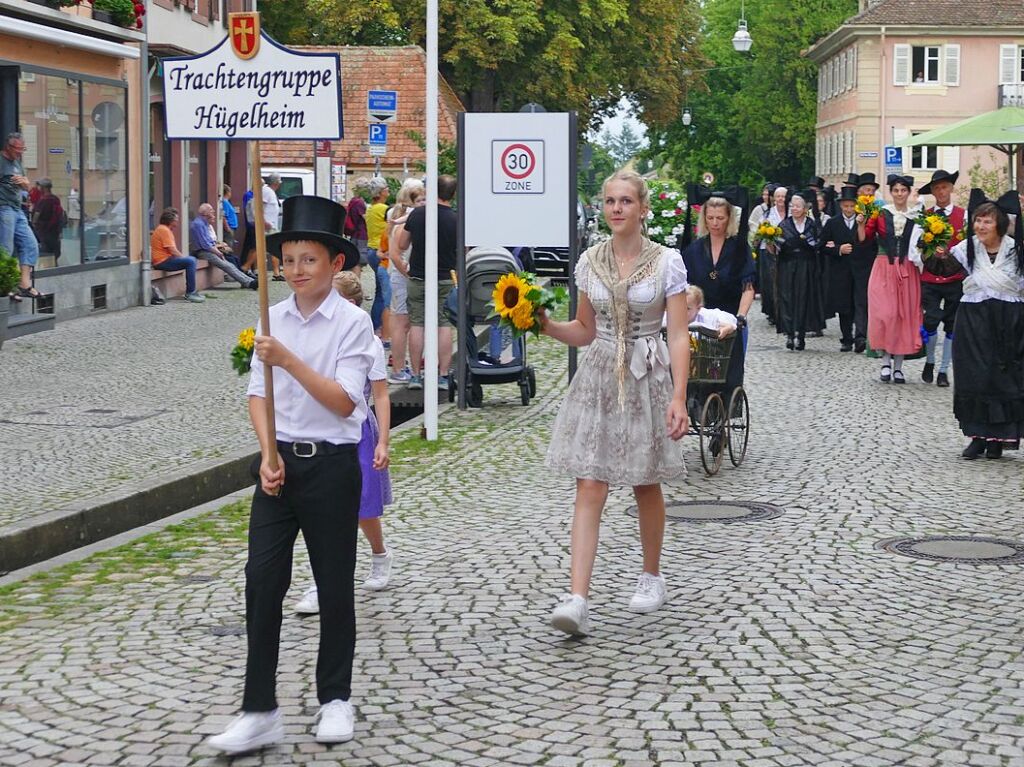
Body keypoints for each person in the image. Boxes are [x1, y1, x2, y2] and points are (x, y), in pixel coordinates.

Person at [206, 196, 373, 754]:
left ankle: (335, 698)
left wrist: (291, 361)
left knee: (332, 585)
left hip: (330, 468)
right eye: (289, 259)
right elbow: (258, 394)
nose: (297, 270)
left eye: (309, 259)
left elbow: (345, 403)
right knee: (262, 583)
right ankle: (259, 709)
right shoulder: (269, 320)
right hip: (279, 469)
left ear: (334, 265)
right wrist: (265, 453)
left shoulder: (352, 325)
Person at [541, 170, 690, 637]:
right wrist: (544, 325)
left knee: (645, 481)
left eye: (625, 201)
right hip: (601, 372)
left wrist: (680, 395)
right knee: (591, 482)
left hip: (647, 372)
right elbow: (583, 330)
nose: (617, 209)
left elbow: (679, 333)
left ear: (643, 208)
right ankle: (578, 597)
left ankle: (652, 574)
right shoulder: (589, 261)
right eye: (609, 201)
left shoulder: (668, 263)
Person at [294, 270, 395, 616]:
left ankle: (380, 554)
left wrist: (383, 440)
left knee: (364, 507)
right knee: (325, 510)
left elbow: (380, 395)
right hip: (320, 431)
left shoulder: (367, 341)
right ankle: (321, 582)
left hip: (358, 429)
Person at [947, 190, 1024, 459]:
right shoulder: (967, 248)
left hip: (1008, 319)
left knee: (1003, 376)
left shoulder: (1016, 250)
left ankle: (998, 439)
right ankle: (977, 437)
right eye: (978, 220)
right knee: (975, 374)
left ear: (1000, 224)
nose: (980, 226)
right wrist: (932, 247)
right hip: (973, 319)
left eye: (987, 221)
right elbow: (943, 268)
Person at [681, 191, 755, 389]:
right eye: (711, 218)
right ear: (704, 218)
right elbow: (684, 287)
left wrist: (741, 316)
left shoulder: (739, 249)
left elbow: (748, 287)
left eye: (720, 218)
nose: (715, 223)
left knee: (727, 371)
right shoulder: (693, 251)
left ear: (729, 218)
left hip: (730, 318)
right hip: (699, 318)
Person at [395, 174, 458, 391]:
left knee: (417, 324)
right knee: (444, 325)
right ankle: (442, 375)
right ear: (453, 194)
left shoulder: (419, 215)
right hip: (446, 278)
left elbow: (402, 244)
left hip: (419, 276)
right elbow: (465, 252)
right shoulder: (457, 219)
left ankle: (415, 375)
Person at [858, 174, 923, 382]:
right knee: (884, 314)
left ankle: (898, 366)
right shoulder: (880, 213)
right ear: (891, 192)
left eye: (903, 190)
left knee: (904, 315)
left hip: (907, 268)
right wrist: (860, 223)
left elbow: (923, 243)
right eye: (896, 190)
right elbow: (864, 238)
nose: (899, 194)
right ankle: (885, 361)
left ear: (909, 192)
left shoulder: (917, 215)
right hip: (884, 265)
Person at [916, 169, 967, 387]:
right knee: (931, 320)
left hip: (954, 277)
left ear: (951, 189)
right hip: (930, 277)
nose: (941, 191)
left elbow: (968, 245)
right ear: (932, 192)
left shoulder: (963, 214)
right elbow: (917, 248)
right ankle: (930, 360)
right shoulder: (925, 216)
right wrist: (929, 253)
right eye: (937, 188)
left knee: (952, 325)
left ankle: (944, 370)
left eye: (944, 187)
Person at [822, 186, 872, 352]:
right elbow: (821, 246)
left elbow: (869, 244)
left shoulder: (863, 221)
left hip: (861, 268)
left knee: (860, 303)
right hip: (840, 270)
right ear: (841, 206)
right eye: (846, 206)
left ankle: (860, 337)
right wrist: (837, 249)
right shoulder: (832, 223)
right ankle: (846, 338)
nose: (849, 209)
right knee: (844, 306)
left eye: (852, 206)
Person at [773, 190, 825, 350]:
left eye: (797, 206)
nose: (794, 208)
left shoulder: (811, 224)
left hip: (806, 266)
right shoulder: (784, 225)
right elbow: (778, 246)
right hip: (788, 265)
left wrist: (806, 243)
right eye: (792, 206)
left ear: (805, 208)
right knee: (787, 298)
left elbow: (817, 244)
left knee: (804, 299)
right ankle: (789, 334)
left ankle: (801, 334)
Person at [386, 179, 425, 383]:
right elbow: (395, 254)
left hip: (407, 276)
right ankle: (399, 369)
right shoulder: (407, 221)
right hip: (403, 278)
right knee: (402, 323)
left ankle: (406, 366)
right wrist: (410, 275)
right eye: (421, 200)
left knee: (409, 323)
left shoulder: (409, 219)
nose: (425, 203)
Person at [0, 132, 41, 300]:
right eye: (17, 150)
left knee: (31, 245)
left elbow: (25, 186)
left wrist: (25, 184)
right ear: (8, 147)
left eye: (22, 149)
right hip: (4, 208)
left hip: (18, 209)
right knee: (6, 249)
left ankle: (24, 285)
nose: (20, 153)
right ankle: (5, 287)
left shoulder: (17, 163)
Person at [190, 203, 258, 290]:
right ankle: (249, 283)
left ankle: (248, 281)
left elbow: (210, 242)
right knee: (226, 265)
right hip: (202, 252)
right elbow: (205, 245)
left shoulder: (204, 224)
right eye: (211, 211)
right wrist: (218, 252)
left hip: (209, 250)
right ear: (205, 213)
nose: (213, 212)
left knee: (230, 264)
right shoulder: (198, 224)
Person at [150, 207, 205, 303]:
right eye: (176, 219)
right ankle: (190, 292)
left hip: (164, 259)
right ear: (170, 220)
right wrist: (184, 257)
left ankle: (192, 291)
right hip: (161, 261)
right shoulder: (164, 230)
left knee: (191, 260)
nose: (178, 221)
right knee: (191, 261)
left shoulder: (164, 229)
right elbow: (172, 250)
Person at [365, 178, 392, 338]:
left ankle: (375, 325)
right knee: (383, 294)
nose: (388, 192)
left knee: (379, 291)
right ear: (381, 192)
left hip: (371, 248)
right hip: (380, 250)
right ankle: (379, 327)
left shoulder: (370, 208)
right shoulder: (384, 209)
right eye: (387, 189)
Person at [759, 185, 787, 324]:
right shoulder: (768, 214)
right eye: (778, 196)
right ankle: (772, 312)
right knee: (770, 282)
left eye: (783, 196)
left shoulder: (791, 212)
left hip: (786, 252)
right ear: (774, 198)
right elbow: (761, 229)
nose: (781, 199)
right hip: (769, 250)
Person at [31, 178, 64, 264]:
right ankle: (54, 266)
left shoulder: (43, 200)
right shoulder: (55, 199)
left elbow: (37, 214)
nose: (39, 189)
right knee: (55, 251)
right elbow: (60, 215)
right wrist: (60, 230)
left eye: (40, 187)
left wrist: (34, 224)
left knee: (46, 252)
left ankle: (49, 268)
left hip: (44, 230)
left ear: (44, 188)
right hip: (55, 230)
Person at [221, 184, 239, 249]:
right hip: (229, 227)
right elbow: (224, 216)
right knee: (228, 246)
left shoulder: (227, 202)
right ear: (227, 192)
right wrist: (227, 228)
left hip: (232, 227)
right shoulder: (225, 202)